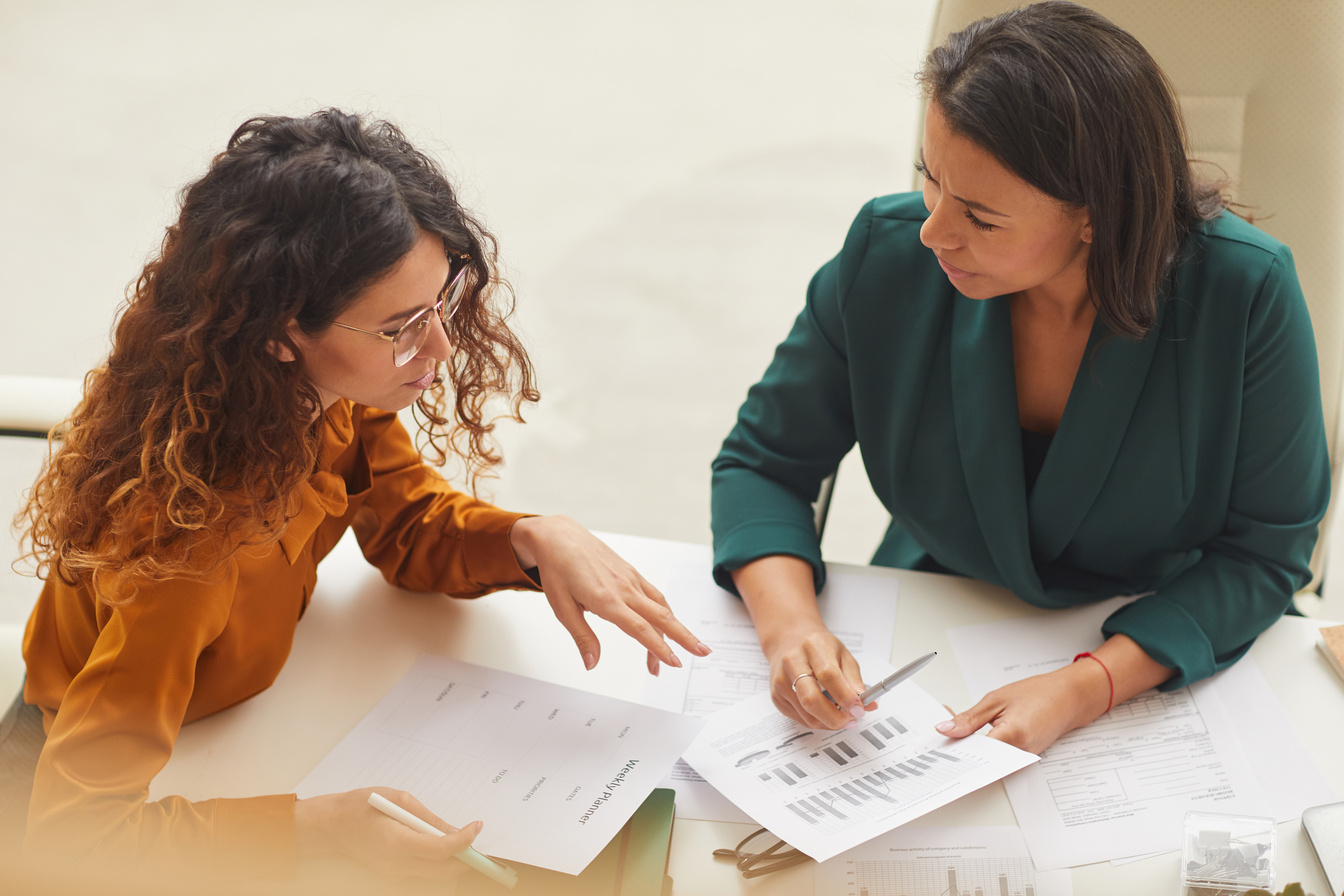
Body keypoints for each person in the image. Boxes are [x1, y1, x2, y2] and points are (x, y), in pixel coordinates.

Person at [13, 109, 708, 880]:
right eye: (401, 328)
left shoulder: (318, 397)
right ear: (281, 334)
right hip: (120, 758)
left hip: (247, 719)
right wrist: (310, 828)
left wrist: (532, 539)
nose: (440, 349)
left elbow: (407, 524)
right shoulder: (187, 552)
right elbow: (74, 833)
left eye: (441, 306)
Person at [711, 1, 1329, 757]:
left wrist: (1085, 686)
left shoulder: (1246, 290)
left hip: (1162, 628)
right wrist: (793, 630)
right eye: (930, 179)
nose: (934, 230)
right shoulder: (889, 252)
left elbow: (1265, 554)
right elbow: (762, 464)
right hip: (931, 615)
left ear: (1097, 215)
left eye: (981, 215)